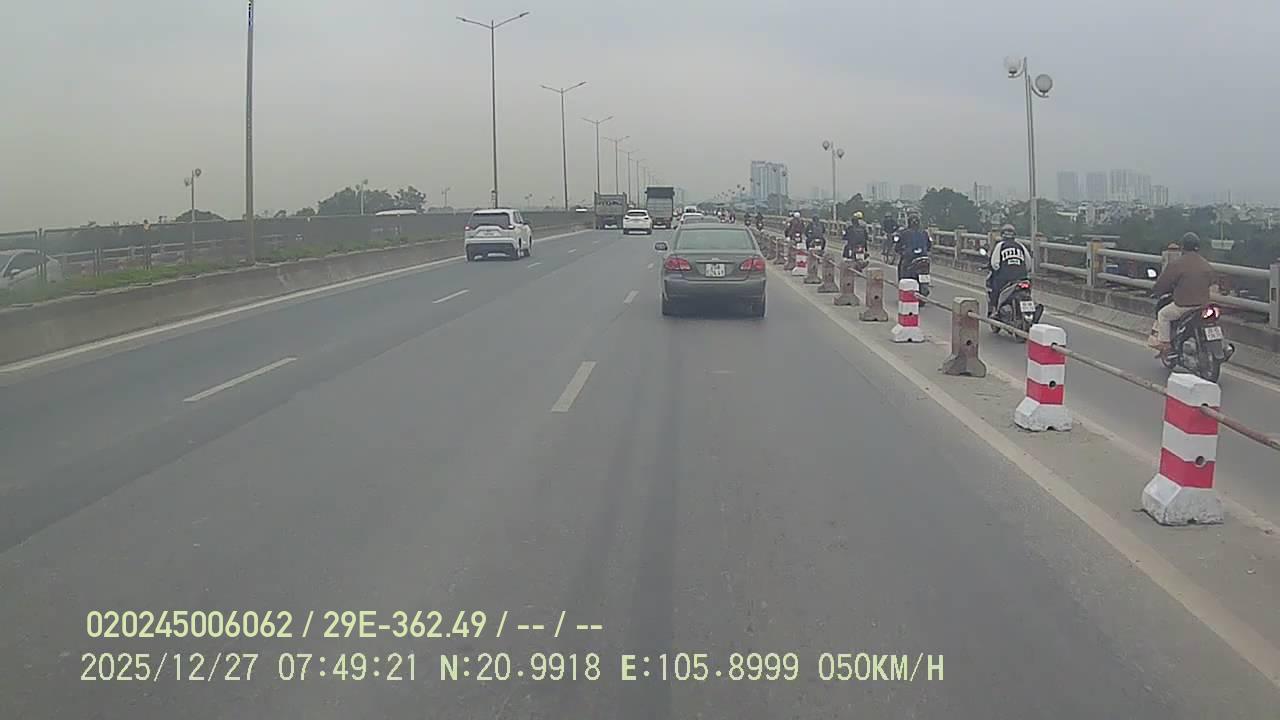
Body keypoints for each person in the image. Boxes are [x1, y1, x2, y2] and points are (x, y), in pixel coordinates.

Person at [1149, 232, 1214, 356]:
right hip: (1203, 305)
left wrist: (1156, 291)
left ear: (1183, 247)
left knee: (1163, 314)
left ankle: (1166, 345)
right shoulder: (1205, 263)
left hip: (1184, 306)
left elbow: (1164, 282)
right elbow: (1212, 281)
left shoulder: (1177, 264)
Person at [986, 224, 1030, 315]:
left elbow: (995, 264)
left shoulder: (1000, 245)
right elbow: (1028, 263)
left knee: (995, 289)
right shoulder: (1020, 246)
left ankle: (996, 310)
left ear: (1002, 235)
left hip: (1005, 278)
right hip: (1022, 277)